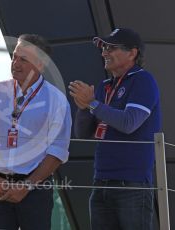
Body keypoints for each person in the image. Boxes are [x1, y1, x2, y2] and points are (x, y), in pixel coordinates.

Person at [0, 34, 72, 230]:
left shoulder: (57, 100)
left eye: (23, 59)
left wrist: (26, 186)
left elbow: (57, 152)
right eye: (14, 57)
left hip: (36, 189)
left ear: (41, 65)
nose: (15, 63)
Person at [68, 28, 161, 230]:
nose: (104, 52)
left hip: (132, 184)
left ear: (132, 53)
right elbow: (82, 133)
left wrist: (92, 104)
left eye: (111, 47)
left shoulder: (143, 80)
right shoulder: (104, 86)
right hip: (101, 182)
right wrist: (83, 107)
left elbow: (129, 123)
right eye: (103, 47)